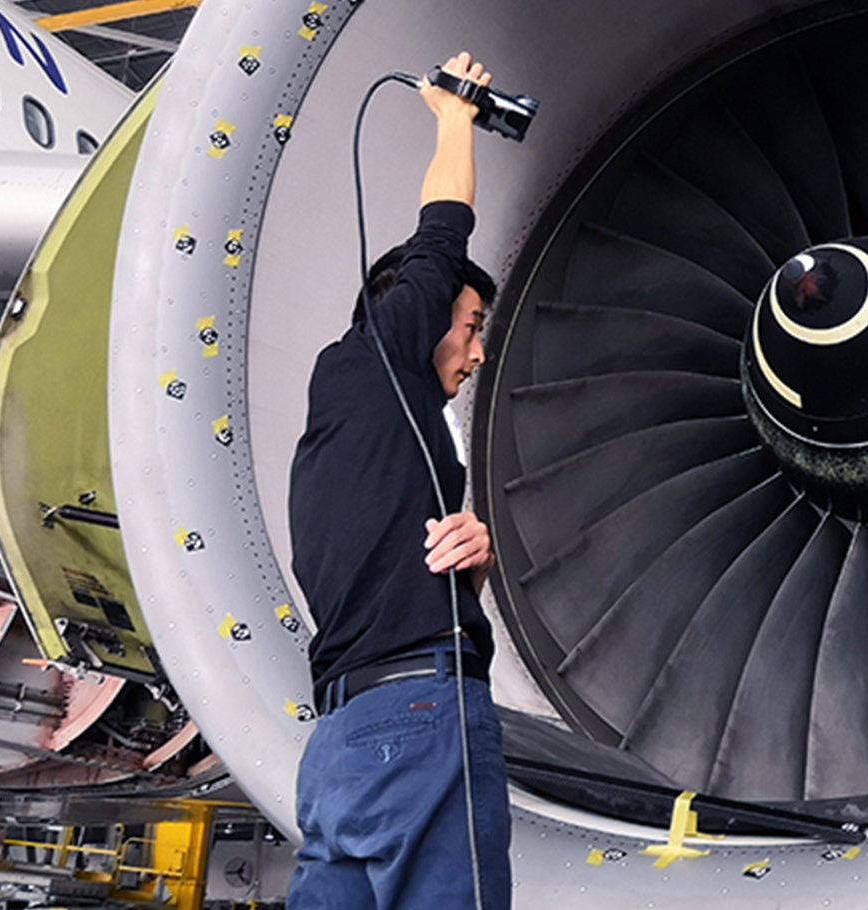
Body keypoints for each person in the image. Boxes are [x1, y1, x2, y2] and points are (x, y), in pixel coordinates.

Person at [286, 52, 510, 910]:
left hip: (338, 747)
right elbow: (440, 237)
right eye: (471, 325)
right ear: (411, 317)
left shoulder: (349, 429)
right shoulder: (375, 359)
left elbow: (389, 566)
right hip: (420, 721)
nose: (478, 351)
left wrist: (472, 574)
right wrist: (455, 117)